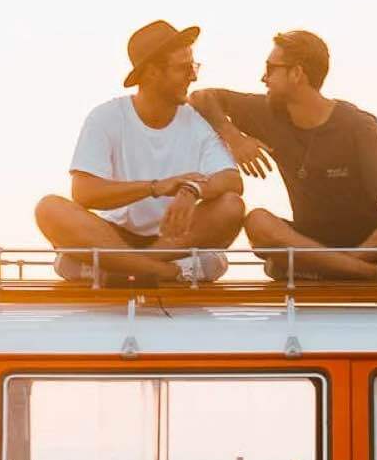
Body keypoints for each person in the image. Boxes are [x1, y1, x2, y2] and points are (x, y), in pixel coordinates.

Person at [190, 30, 377, 282]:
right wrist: (235, 138)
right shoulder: (266, 112)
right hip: (310, 241)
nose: (263, 78)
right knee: (257, 221)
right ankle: (371, 274)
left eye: (271, 68)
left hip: (372, 242)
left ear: (297, 73)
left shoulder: (359, 125)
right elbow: (202, 97)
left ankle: (330, 269)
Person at [35, 20, 245, 284]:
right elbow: (84, 193)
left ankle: (127, 267)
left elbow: (232, 181)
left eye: (193, 66)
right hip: (112, 237)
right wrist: (155, 187)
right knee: (49, 208)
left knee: (231, 206)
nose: (193, 76)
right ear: (151, 73)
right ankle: (157, 270)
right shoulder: (106, 117)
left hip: (173, 240)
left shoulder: (198, 122)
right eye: (184, 68)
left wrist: (193, 189)